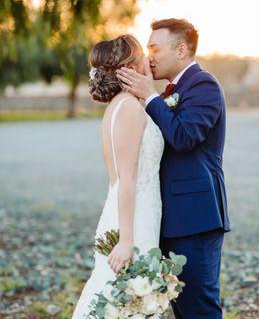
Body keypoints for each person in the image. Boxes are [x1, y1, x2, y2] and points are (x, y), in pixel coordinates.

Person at [116, 18, 230, 319]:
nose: (149, 55)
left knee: (199, 308)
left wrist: (151, 96)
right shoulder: (167, 93)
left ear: (181, 50)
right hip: (166, 218)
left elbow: (183, 137)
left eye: (154, 47)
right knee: (180, 309)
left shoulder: (204, 85)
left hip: (196, 220)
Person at [72, 34, 164, 318]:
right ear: (128, 69)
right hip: (132, 219)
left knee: (124, 302)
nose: (147, 61)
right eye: (141, 58)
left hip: (135, 212)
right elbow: (126, 179)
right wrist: (126, 241)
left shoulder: (122, 105)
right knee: (124, 301)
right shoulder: (128, 109)